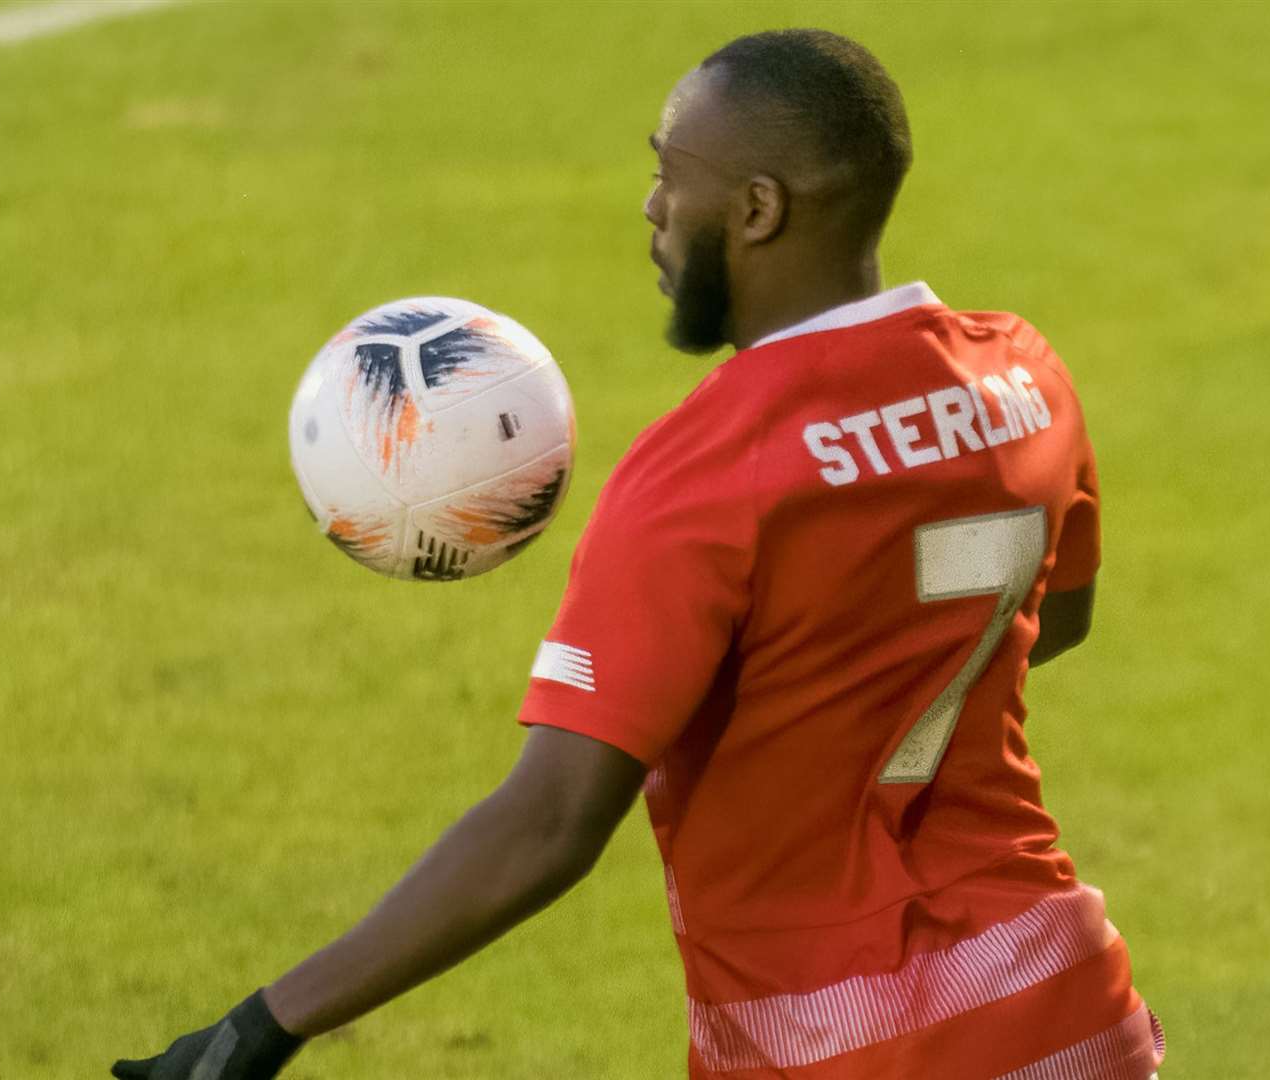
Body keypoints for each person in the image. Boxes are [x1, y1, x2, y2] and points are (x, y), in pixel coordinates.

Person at [111, 28, 1164, 1080]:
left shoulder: (705, 469)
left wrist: (263, 1025)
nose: (653, 208)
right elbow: (1048, 623)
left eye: (670, 176)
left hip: (850, 1043)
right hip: (1067, 1006)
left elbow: (550, 823)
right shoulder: (1020, 379)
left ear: (758, 210)